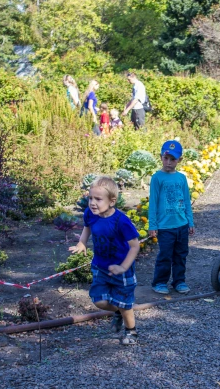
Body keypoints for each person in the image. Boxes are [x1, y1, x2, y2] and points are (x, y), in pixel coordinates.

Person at [69, 176, 141, 345]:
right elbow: (87, 227)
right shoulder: (90, 214)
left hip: (121, 270)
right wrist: (82, 243)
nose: (92, 203)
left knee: (124, 302)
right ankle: (119, 311)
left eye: (98, 199)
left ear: (112, 201)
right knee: (99, 300)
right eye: (90, 198)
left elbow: (135, 246)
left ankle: (131, 332)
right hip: (100, 266)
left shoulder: (121, 222)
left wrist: (123, 267)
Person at [148, 140, 195, 295]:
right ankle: (160, 282)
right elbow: (153, 202)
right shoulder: (157, 178)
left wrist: (190, 221)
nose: (168, 162)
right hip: (165, 226)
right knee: (165, 255)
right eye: (166, 158)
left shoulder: (181, 178)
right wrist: (153, 225)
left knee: (181, 255)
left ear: (179, 160)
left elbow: (187, 201)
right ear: (161, 157)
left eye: (172, 159)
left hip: (181, 224)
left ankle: (179, 281)